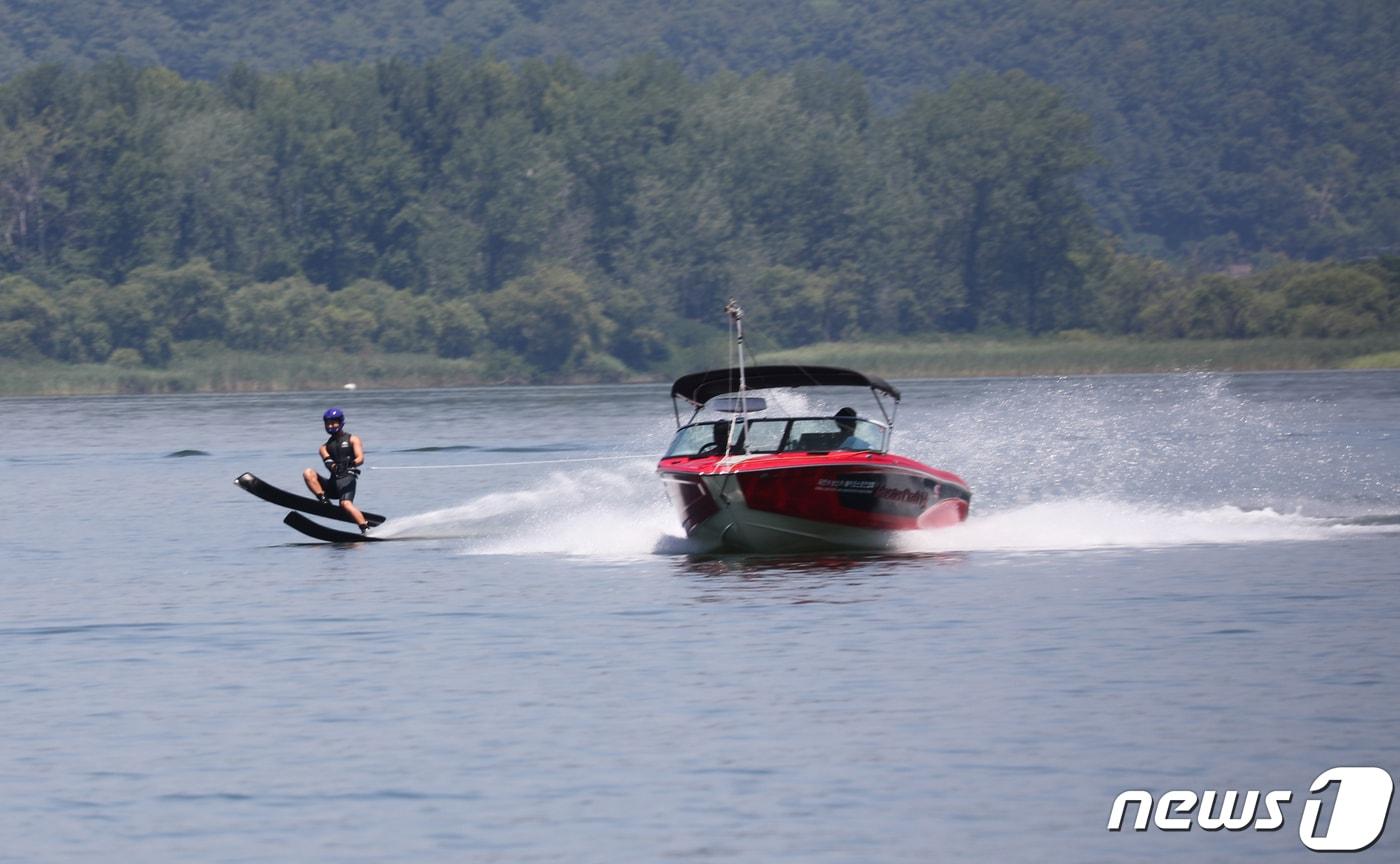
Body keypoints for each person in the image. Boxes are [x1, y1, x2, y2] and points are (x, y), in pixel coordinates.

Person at [303, 407, 370, 533]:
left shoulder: (353, 439)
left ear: (340, 422)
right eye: (328, 423)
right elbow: (328, 462)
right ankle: (323, 499)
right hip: (332, 484)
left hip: (347, 481)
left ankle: (365, 528)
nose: (331, 425)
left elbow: (360, 458)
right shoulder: (323, 448)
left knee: (345, 504)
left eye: (334, 422)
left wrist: (351, 463)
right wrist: (335, 467)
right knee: (308, 472)